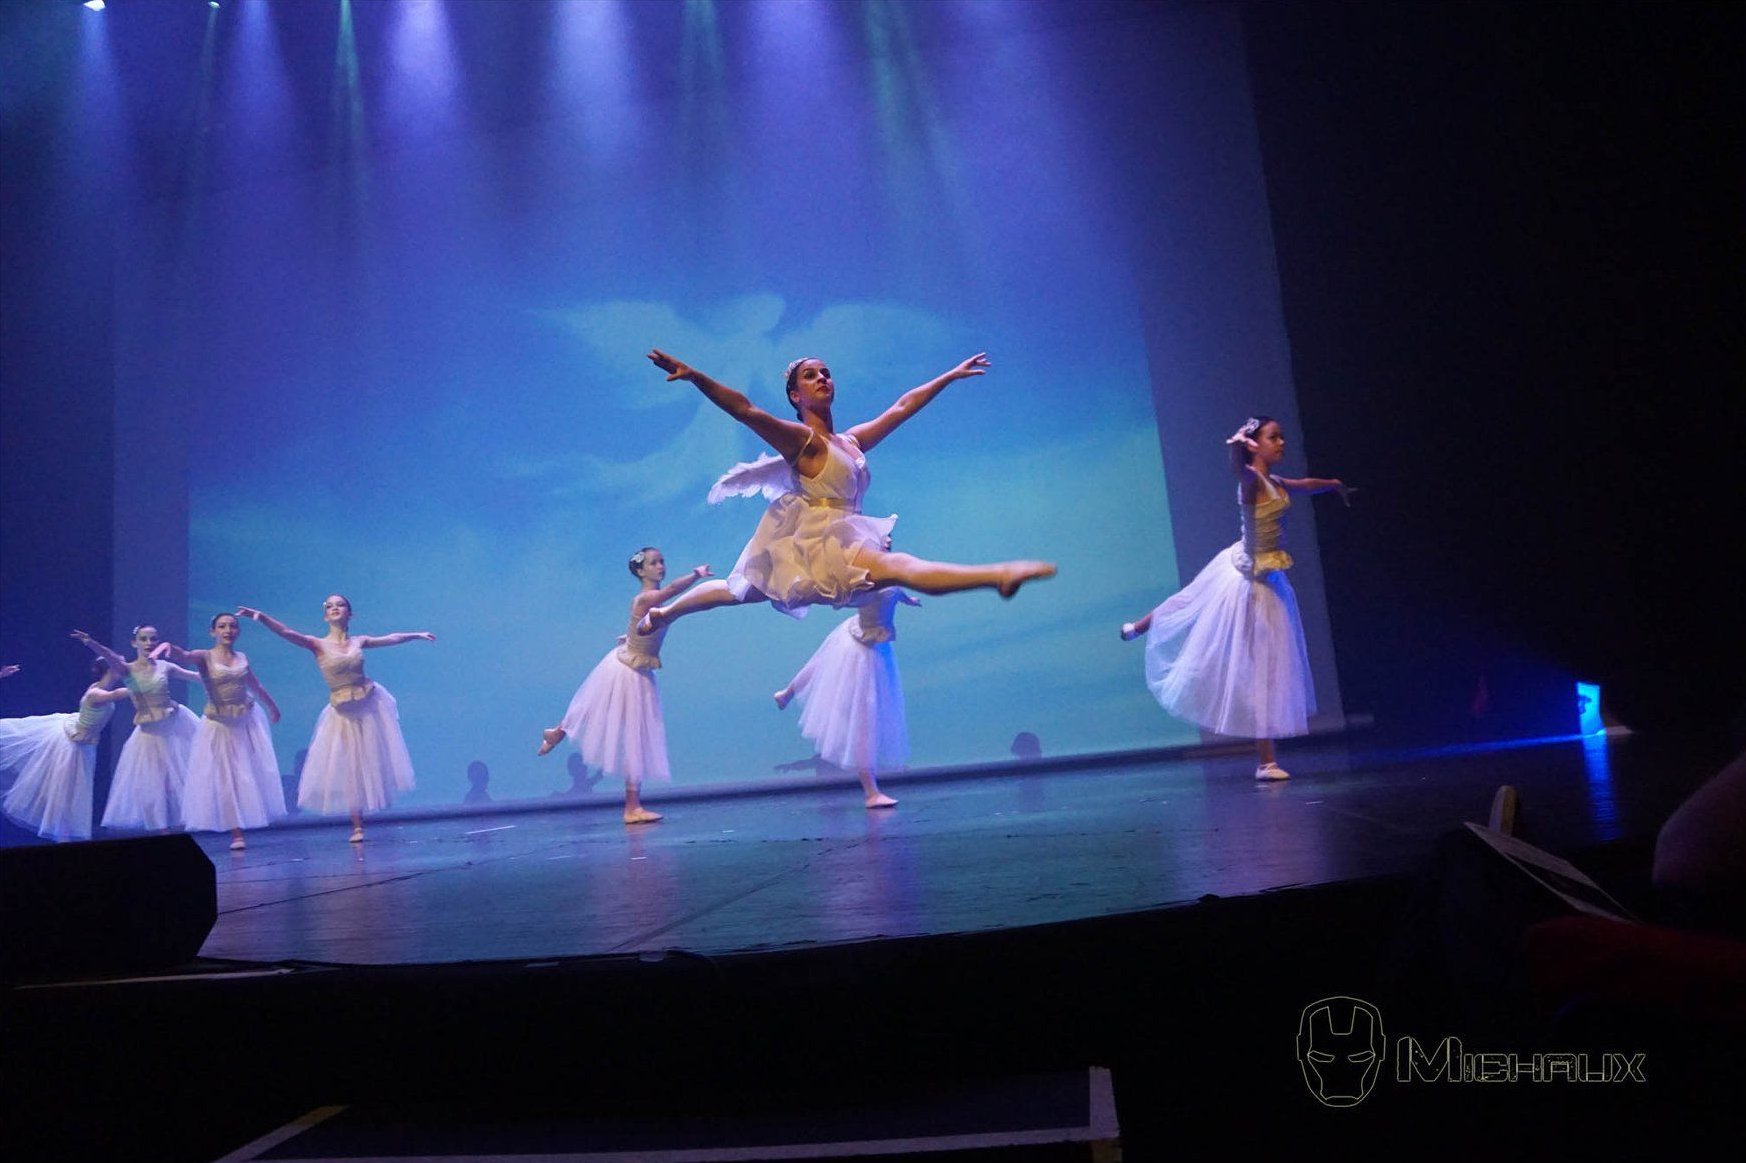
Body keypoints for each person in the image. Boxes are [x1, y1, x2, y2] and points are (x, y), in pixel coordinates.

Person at [635, 351, 1054, 632]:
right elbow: (746, 410)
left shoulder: (850, 442)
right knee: (738, 589)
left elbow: (901, 408)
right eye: (810, 376)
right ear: (796, 396)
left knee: (740, 590)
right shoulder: (803, 441)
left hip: (842, 534)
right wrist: (696, 378)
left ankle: (666, 611)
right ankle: (997, 575)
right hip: (821, 539)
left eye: (826, 373)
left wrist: (948, 377)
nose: (822, 378)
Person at [1121, 416, 1352, 780]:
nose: (1282, 443)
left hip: (1266, 576)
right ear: (1255, 445)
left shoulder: (1274, 481)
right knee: (1199, 612)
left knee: (1252, 654)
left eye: (1282, 437)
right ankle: (1266, 762)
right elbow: (1238, 470)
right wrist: (1234, 447)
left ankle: (1136, 626)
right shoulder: (1251, 482)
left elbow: (1305, 485)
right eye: (1273, 438)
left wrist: (1333, 484)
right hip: (1247, 578)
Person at [236, 596, 433, 842]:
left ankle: (374, 816)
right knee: (350, 766)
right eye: (329, 606)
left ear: (350, 614)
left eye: (339, 605)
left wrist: (416, 634)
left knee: (372, 761)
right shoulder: (317, 644)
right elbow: (286, 632)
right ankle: (357, 825)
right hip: (343, 712)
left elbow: (391, 638)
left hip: (369, 705)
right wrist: (261, 616)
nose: (334, 608)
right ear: (325, 616)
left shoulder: (359, 641)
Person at [539, 548, 709, 824]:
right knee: (631, 735)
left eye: (662, 561)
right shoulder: (646, 597)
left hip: (637, 668)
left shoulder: (649, 600)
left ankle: (558, 732)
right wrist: (695, 575)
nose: (660, 566)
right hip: (628, 671)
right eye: (654, 563)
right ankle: (631, 807)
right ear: (641, 571)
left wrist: (629, 636)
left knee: (626, 731)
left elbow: (646, 625)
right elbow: (671, 592)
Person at [773, 577, 918, 809]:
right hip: (862, 651)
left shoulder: (889, 577)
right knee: (864, 724)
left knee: (822, 662)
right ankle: (871, 792)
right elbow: (848, 599)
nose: (888, 539)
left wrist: (910, 600)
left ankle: (787, 693)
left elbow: (896, 592)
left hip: (870, 643)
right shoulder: (867, 585)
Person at [151, 613, 286, 851]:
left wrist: (272, 705)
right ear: (213, 632)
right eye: (222, 626)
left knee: (245, 774)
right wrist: (168, 648)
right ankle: (236, 831)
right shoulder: (205, 656)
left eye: (232, 626)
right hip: (219, 723)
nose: (228, 630)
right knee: (226, 776)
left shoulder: (241, 657)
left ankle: (242, 825)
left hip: (245, 719)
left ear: (238, 632)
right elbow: (184, 655)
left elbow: (255, 685)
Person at [74, 626, 201, 831]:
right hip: (149, 732)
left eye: (153, 639)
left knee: (180, 777)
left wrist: (220, 675)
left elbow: (195, 676)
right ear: (135, 643)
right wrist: (90, 642)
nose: (149, 643)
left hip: (175, 725)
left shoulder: (164, 666)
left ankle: (185, 822)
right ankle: (162, 828)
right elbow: (109, 656)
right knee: (153, 784)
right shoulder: (128, 669)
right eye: (143, 639)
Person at [0, 657, 130, 841]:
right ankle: (62, 836)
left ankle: (63, 835)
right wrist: (142, 678)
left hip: (80, 741)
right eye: (121, 665)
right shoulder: (98, 693)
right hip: (71, 743)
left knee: (69, 792)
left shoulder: (98, 686)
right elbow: (125, 692)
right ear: (111, 669)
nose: (126, 667)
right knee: (66, 792)